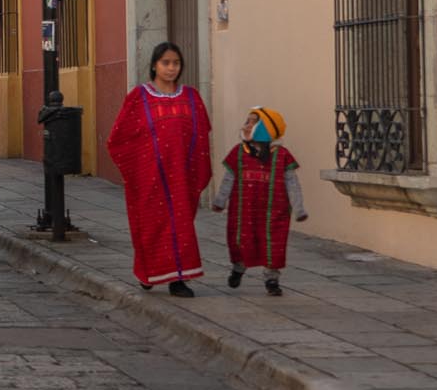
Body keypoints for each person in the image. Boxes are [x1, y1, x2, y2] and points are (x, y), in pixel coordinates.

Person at [107, 41, 213, 297]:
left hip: (182, 177)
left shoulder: (191, 97)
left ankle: (179, 279)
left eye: (175, 63)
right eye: (165, 63)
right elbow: (119, 139)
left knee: (182, 226)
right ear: (154, 65)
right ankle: (149, 272)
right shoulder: (139, 98)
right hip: (150, 177)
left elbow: (201, 133)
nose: (171, 68)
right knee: (151, 226)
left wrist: (195, 168)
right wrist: (139, 169)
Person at [211, 107, 307, 296]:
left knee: (273, 244)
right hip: (244, 210)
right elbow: (228, 180)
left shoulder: (282, 155)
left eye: (252, 122)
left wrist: (299, 209)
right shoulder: (238, 153)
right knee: (241, 241)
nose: (246, 126)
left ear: (266, 128)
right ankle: (238, 268)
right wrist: (220, 201)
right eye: (246, 121)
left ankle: (272, 280)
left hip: (274, 212)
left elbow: (292, 183)